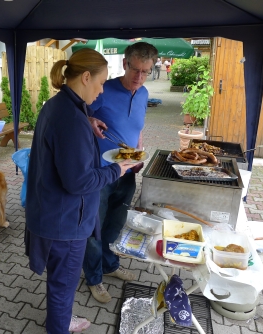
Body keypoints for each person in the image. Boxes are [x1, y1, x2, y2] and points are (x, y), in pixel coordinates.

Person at [25, 48, 137, 333]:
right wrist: (118, 169)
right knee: (63, 285)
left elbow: (62, 135)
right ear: (86, 77)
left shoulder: (60, 105)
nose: (101, 91)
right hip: (64, 223)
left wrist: (87, 121)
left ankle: (60, 320)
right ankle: (59, 327)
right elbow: (78, 182)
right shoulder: (71, 119)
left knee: (59, 282)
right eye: (100, 83)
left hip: (50, 213)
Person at [84, 42, 158, 304]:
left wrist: (139, 150)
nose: (139, 77)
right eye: (135, 69)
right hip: (100, 172)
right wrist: (90, 119)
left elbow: (138, 127)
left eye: (146, 71)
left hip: (127, 171)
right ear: (125, 64)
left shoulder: (144, 93)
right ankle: (93, 277)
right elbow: (78, 113)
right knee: (94, 227)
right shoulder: (104, 90)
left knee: (114, 224)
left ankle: (109, 264)